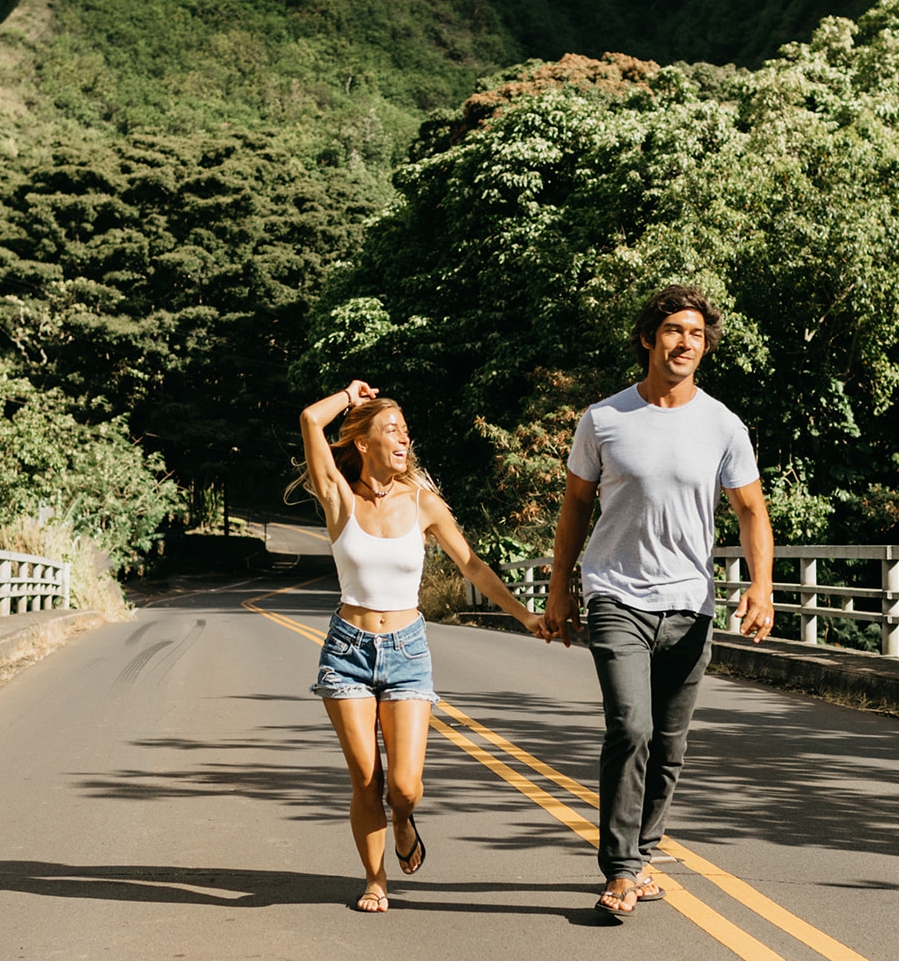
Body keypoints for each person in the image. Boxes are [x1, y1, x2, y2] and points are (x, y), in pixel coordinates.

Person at [541, 285, 774, 916]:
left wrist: (761, 585)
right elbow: (576, 506)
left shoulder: (723, 425)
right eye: (673, 330)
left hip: (691, 603)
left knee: (670, 744)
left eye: (696, 335)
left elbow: (751, 510)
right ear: (649, 338)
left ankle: (642, 854)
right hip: (617, 592)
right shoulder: (604, 418)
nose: (685, 343)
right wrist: (559, 588)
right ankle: (619, 869)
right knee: (632, 727)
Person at [294, 379, 549, 914]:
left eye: (406, 431)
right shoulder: (339, 497)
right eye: (391, 430)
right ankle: (375, 878)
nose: (403, 439)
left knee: (403, 787)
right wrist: (349, 397)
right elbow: (310, 421)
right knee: (366, 780)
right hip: (347, 650)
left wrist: (525, 614)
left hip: (408, 649)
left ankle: (404, 818)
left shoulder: (424, 503)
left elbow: (472, 565)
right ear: (363, 443)